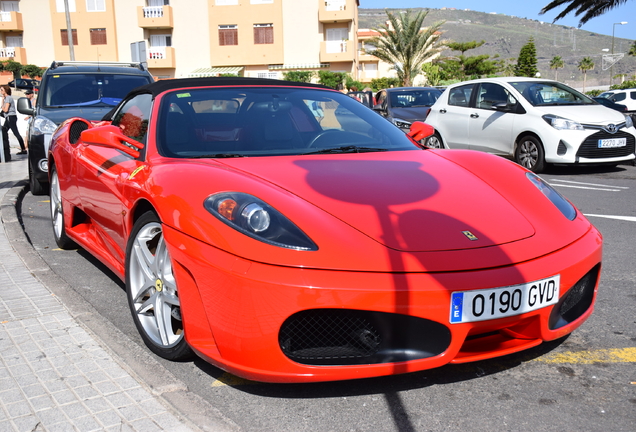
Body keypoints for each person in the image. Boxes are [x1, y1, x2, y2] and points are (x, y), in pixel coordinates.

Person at [1, 85, 27, 156]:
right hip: (9, 117)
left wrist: (2, 106)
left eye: (2, 90)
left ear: (6, 90)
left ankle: (23, 149)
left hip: (10, 117)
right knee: (3, 132)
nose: (1, 91)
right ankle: (4, 147)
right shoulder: (6, 98)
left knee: (16, 133)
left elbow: (5, 109)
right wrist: (3, 99)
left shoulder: (8, 98)